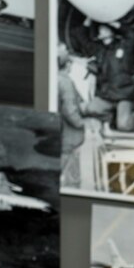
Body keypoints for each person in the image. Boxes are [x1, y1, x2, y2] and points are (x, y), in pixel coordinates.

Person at [83, 22, 134, 132]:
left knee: (123, 125)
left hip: (124, 95)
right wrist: (87, 23)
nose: (101, 31)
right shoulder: (99, 50)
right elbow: (82, 40)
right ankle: (111, 117)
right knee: (90, 108)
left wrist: (115, 23)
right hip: (107, 96)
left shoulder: (123, 46)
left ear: (111, 31)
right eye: (100, 30)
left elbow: (131, 35)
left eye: (105, 29)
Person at [57, 42, 86, 189]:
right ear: (67, 64)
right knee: (72, 175)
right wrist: (82, 124)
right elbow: (70, 110)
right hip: (71, 136)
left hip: (61, 132)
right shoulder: (66, 82)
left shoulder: (56, 79)